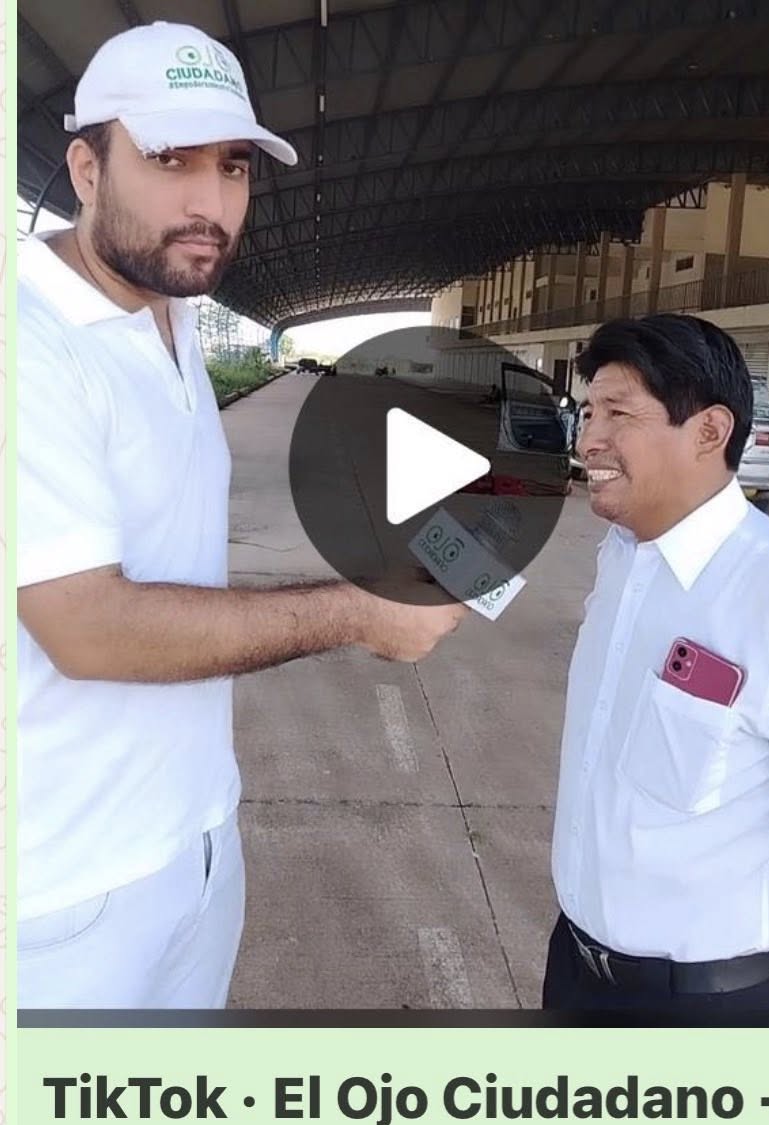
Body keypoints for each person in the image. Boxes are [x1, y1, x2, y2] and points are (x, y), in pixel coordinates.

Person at [17, 22, 465, 1009]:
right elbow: (84, 626)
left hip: (196, 842)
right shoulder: (28, 341)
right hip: (59, 893)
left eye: (231, 167)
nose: (209, 203)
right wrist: (356, 611)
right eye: (168, 159)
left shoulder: (170, 313)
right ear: (86, 169)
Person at [544, 313, 769, 1014]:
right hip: (574, 974)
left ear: (708, 431)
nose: (588, 439)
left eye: (618, 413)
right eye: (587, 412)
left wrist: (767, 978)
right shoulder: (620, 560)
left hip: (710, 1006)